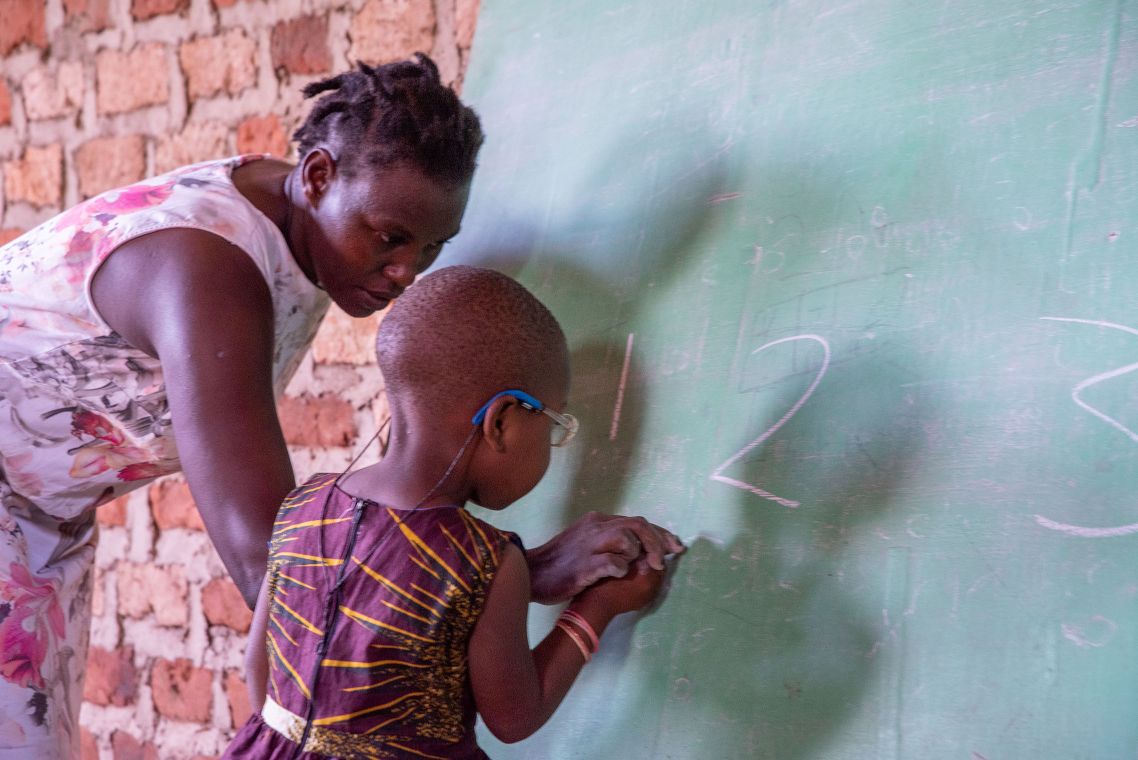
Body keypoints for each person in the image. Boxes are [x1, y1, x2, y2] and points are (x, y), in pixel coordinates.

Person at [0, 54, 681, 757]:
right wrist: (499, 587)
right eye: (389, 238)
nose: (405, 272)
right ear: (319, 175)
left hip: (44, 513)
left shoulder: (298, 219)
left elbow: (288, 604)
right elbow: (286, 572)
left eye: (431, 248)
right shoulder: (207, 274)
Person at [223, 265, 676, 758]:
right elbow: (515, 716)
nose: (552, 444)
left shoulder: (304, 506)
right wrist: (599, 606)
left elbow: (258, 672)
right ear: (501, 422)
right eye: (553, 424)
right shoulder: (482, 561)